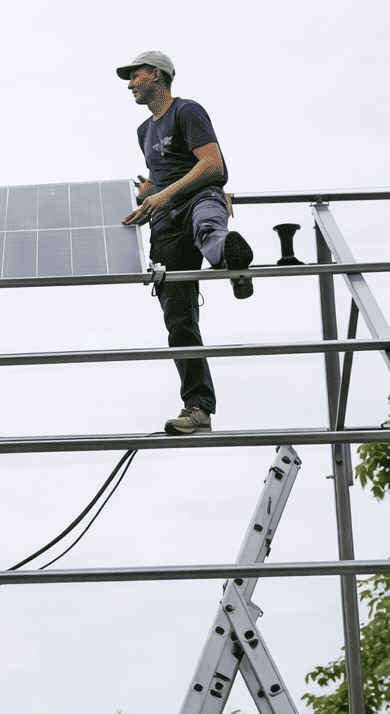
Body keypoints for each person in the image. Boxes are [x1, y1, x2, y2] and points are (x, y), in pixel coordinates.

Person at [118, 50, 253, 435]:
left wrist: (164, 195)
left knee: (210, 231)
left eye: (135, 76)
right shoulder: (144, 131)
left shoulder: (187, 111)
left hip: (197, 200)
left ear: (156, 75)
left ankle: (232, 259)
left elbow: (213, 165)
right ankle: (197, 408)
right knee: (178, 318)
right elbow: (157, 177)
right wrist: (148, 191)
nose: (129, 84)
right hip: (165, 224)